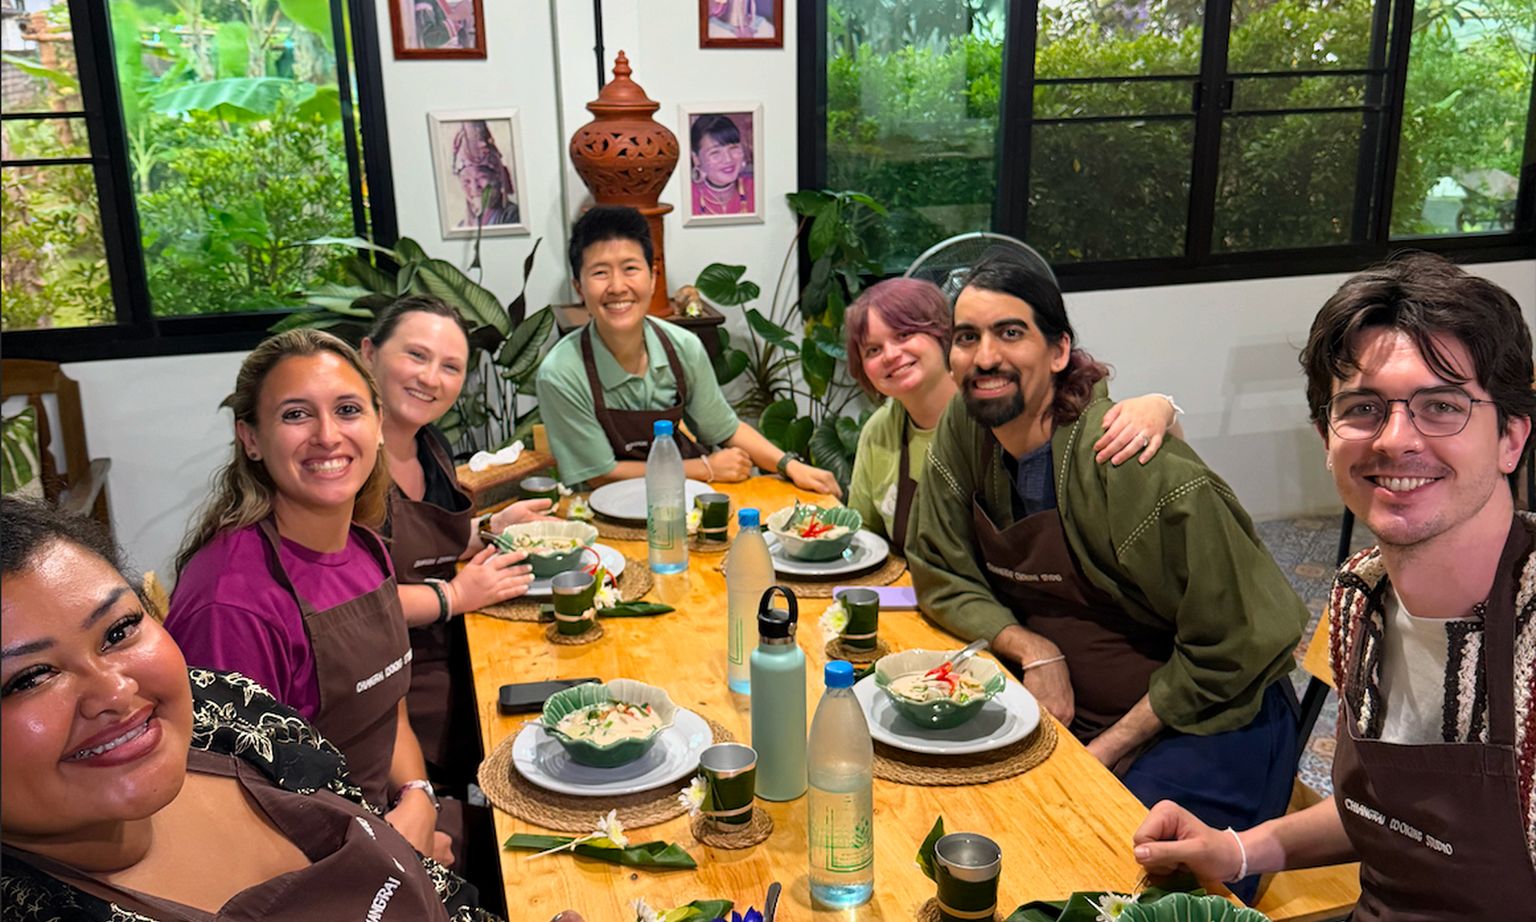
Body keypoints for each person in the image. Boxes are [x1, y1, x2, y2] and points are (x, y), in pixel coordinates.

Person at [1133, 254, 1536, 914]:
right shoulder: (1361, 598)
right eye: (1363, 408)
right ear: (1326, 436)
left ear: (1510, 439)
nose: (1396, 439)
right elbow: (1384, 812)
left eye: (1442, 405)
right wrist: (1236, 850)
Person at [905, 252, 1306, 896]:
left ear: (1060, 350)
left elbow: (1242, 642)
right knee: (938, 829)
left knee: (1107, 886)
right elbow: (936, 565)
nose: (984, 358)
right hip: (1066, 711)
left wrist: (1109, 748)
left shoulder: (1133, 465)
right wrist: (1034, 650)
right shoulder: (968, 426)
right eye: (966, 337)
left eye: (1011, 333)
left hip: (1207, 721)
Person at [0, 495, 500, 922]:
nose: (114, 693)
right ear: (250, 438)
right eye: (30, 678)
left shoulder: (224, 709)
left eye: (118, 629)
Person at [164, 329, 459, 870]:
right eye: (296, 415)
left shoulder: (365, 545)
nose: (327, 436)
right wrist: (394, 858)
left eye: (347, 409)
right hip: (320, 875)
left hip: (391, 820)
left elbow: (387, 704)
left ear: (376, 427)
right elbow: (229, 818)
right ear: (250, 439)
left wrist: (419, 795)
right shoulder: (231, 604)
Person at [844, 276, 1185, 550]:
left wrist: (1162, 407)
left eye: (904, 334)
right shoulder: (881, 430)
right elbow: (863, 539)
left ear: (944, 334)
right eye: (873, 349)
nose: (890, 355)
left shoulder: (999, 413)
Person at [360, 295, 548, 788]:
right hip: (395, 679)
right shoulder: (348, 463)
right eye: (416, 356)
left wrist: (490, 528)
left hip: (457, 643)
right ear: (367, 354)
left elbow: (427, 538)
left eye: (450, 367)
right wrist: (458, 596)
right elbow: (350, 602)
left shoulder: (429, 445)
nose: (431, 378)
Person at [535, 205, 842, 495]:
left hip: (684, 504)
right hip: (602, 515)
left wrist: (790, 465)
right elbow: (599, 473)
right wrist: (705, 467)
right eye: (600, 273)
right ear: (579, 287)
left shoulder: (682, 347)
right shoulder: (561, 373)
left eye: (630, 268)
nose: (617, 286)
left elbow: (725, 428)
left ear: (653, 278)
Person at [690, 114, 754, 217]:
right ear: (696, 159)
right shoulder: (687, 197)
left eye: (733, 148)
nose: (728, 159)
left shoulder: (756, 188)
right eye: (715, 152)